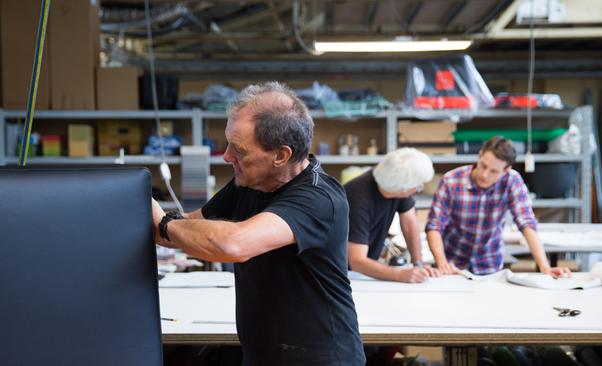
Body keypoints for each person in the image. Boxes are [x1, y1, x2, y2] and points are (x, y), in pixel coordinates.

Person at [152, 82, 365, 365]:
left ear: (281, 155)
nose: (227, 156)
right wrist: (139, 211)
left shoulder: (319, 198)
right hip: (263, 354)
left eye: (238, 149)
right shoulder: (250, 182)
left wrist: (165, 223)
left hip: (320, 358)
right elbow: (187, 229)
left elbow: (233, 244)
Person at [426, 136, 571, 278]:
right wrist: (442, 264)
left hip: (490, 266)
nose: (484, 175)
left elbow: (526, 222)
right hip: (452, 265)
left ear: (506, 170)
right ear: (480, 155)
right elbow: (434, 226)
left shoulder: (512, 181)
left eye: (494, 171)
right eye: (483, 165)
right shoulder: (451, 181)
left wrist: (544, 267)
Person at [345, 148, 440, 283]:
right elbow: (357, 261)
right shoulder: (357, 199)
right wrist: (400, 275)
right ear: (402, 189)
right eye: (418, 186)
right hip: (343, 274)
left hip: (361, 271)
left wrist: (418, 263)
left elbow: (409, 223)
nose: (418, 189)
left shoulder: (392, 182)